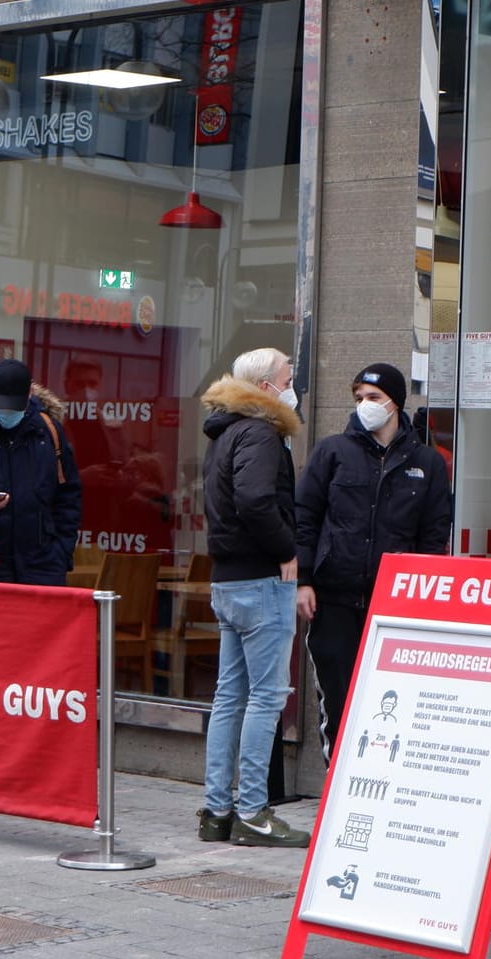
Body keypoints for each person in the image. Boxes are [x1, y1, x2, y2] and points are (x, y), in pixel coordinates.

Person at [295, 362, 452, 764]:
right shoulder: (332, 452)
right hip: (335, 599)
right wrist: (304, 580)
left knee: (392, 701)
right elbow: (305, 518)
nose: (365, 405)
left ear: (395, 403)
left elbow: (434, 536)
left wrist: (425, 593)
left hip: (395, 603)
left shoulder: (427, 463)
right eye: (360, 398)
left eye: (374, 398)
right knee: (339, 697)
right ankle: (337, 786)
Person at [195, 347, 309, 848]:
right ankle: (253, 813)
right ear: (266, 388)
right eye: (287, 378)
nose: (292, 385)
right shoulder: (262, 433)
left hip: (228, 578)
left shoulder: (225, 432)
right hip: (262, 580)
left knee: (229, 697)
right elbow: (256, 499)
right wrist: (287, 549)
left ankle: (217, 811)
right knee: (266, 698)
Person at [0, 359, 81, 585]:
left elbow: (68, 494)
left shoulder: (47, 431)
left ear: (29, 394)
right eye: (1, 406)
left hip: (42, 564)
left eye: (13, 407)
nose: (7, 413)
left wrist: (61, 553)